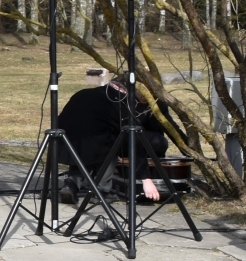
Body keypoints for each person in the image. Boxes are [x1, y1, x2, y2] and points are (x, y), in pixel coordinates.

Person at [59, 71, 167, 202]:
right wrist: (146, 179)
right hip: (97, 141)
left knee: (90, 147)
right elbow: (136, 140)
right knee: (108, 147)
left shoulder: (92, 94)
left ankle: (71, 185)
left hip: (67, 142)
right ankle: (101, 190)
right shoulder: (122, 103)